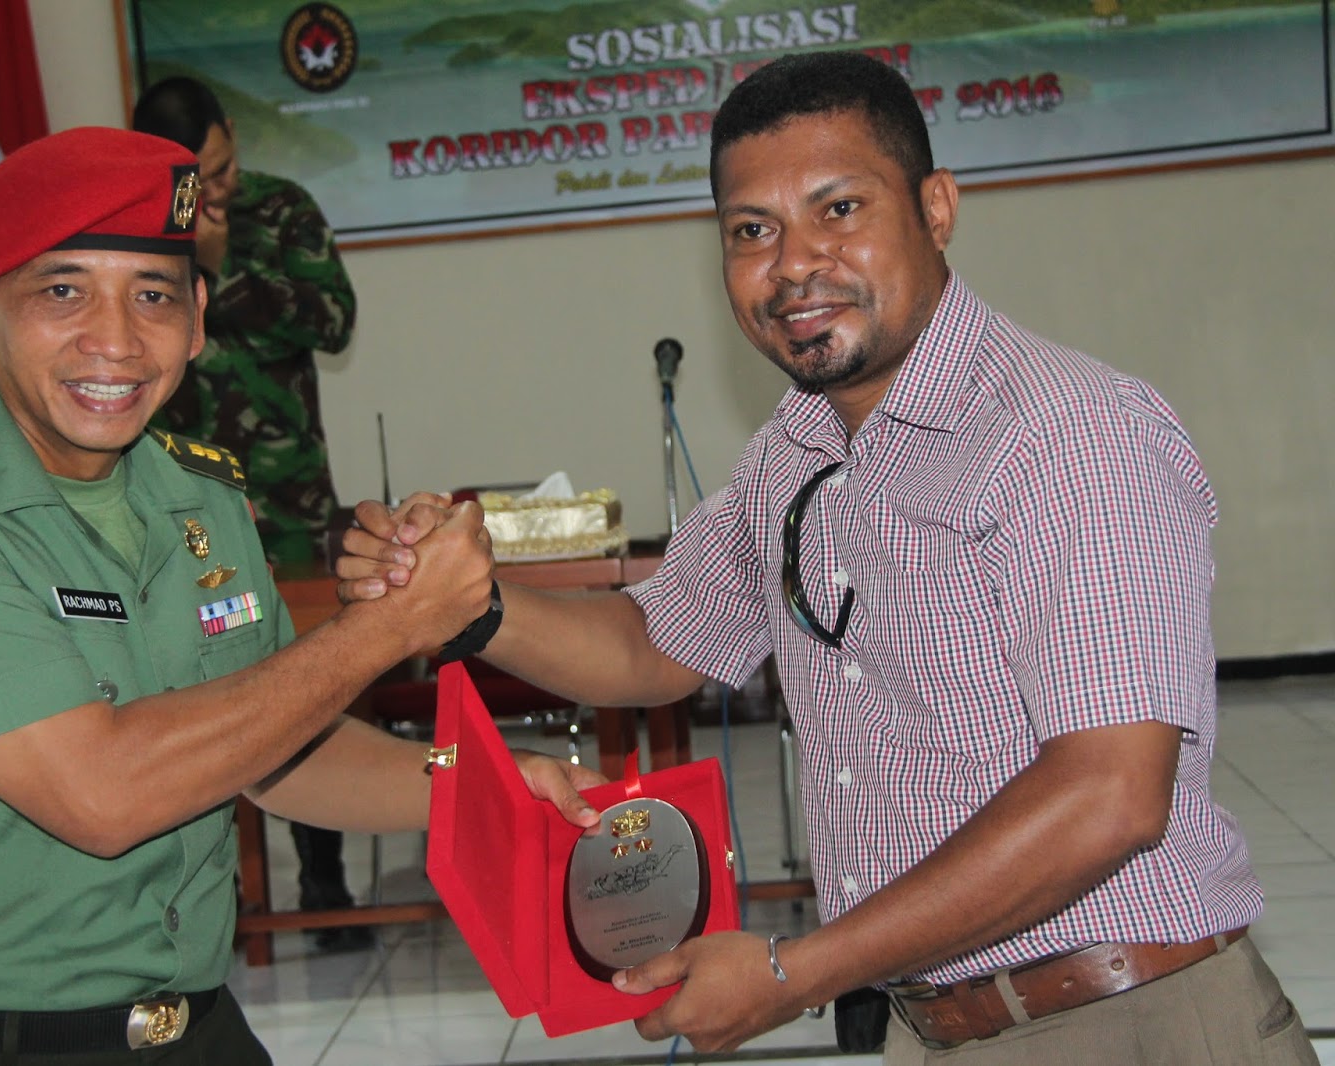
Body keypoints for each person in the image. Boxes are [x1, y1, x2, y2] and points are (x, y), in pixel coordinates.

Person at [336, 52, 1319, 1063]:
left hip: (1127, 1020)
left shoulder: (1066, 437)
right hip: (928, 1022)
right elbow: (650, 644)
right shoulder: (794, 450)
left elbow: (1109, 795)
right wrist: (467, 603)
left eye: (839, 209)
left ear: (936, 209)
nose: (794, 263)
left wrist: (792, 975)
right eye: (751, 231)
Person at [0, 126, 603, 1066]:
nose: (115, 341)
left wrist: (474, 784)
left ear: (199, 317)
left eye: (153, 295)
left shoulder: (200, 495)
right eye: (62, 291)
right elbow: (103, 793)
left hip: (196, 1032)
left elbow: (277, 748)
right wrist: (389, 628)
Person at [131, 75, 372, 951]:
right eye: (198, 180)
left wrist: (225, 266)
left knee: (303, 680)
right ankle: (213, 894)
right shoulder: (136, 229)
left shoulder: (282, 209)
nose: (219, 190)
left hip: (285, 496)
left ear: (232, 136)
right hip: (167, 505)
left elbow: (334, 321)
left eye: (223, 168)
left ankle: (323, 879)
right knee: (186, 693)